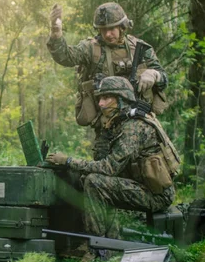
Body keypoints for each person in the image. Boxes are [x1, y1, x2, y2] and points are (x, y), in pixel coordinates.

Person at [45, 76, 180, 261]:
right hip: (141, 185)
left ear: (121, 98)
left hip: (156, 195)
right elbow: (103, 162)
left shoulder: (133, 127)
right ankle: (110, 245)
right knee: (90, 180)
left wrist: (68, 161)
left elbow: (109, 168)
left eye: (107, 98)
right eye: (100, 98)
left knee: (95, 182)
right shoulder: (119, 122)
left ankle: (97, 250)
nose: (100, 103)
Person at [47, 2, 168, 160]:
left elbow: (164, 78)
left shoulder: (140, 48)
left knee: (149, 172)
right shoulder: (91, 49)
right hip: (106, 129)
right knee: (104, 174)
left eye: (112, 29)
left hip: (139, 127)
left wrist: (154, 74)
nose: (108, 34)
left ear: (122, 27)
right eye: (103, 30)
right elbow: (66, 57)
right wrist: (56, 33)